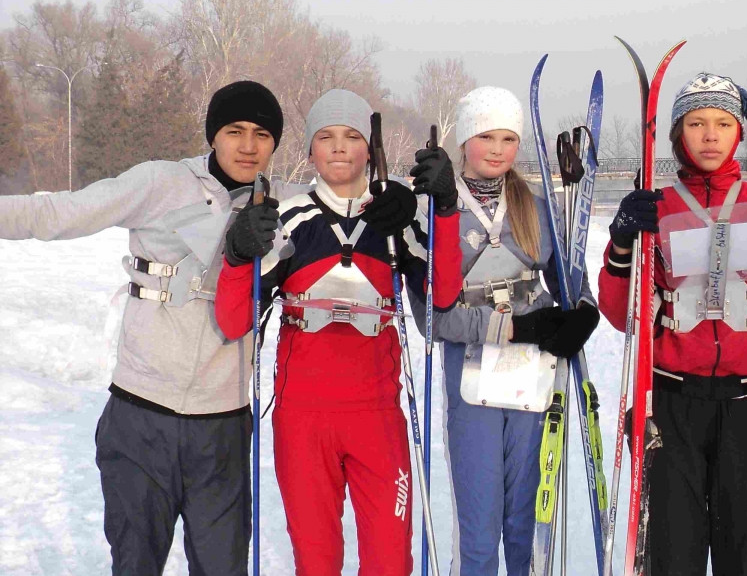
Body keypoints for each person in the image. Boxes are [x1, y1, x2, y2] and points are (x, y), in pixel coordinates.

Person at [0, 81, 289, 575]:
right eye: (235, 130)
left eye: (262, 134)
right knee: (135, 563)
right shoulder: (160, 183)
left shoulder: (278, 204)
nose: (248, 145)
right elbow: (61, 211)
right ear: (212, 135)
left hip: (222, 426)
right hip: (141, 416)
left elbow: (346, 200)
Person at [213, 89, 462, 576]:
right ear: (309, 149)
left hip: (378, 418)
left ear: (369, 149)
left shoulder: (396, 217)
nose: (339, 147)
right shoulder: (288, 218)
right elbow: (232, 321)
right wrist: (238, 255)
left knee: (391, 561)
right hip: (303, 419)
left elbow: (443, 297)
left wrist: (445, 209)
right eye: (325, 137)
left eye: (351, 136)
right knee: (317, 560)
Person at [597, 72, 747, 575]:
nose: (709, 135)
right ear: (679, 133)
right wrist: (621, 246)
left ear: (738, 132)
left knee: (744, 554)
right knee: (673, 554)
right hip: (674, 404)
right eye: (697, 123)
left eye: (723, 123)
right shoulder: (655, 208)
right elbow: (621, 315)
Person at [420, 85, 599, 576]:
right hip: (472, 366)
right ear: (463, 140)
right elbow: (432, 317)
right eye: (485, 137)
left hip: (532, 369)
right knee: (479, 526)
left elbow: (572, 276)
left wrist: (583, 311)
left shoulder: (536, 204)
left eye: (508, 139)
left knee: (526, 517)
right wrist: (516, 326)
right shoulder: (437, 206)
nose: (497, 149)